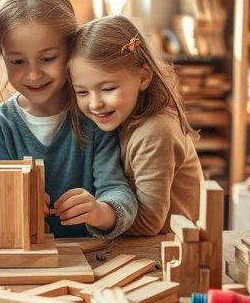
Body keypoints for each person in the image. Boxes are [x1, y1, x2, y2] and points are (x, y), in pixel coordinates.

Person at [0, 0, 137, 239]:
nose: (33, 74)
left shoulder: (94, 116)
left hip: (90, 259)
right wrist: (14, 205)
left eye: (48, 58)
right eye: (17, 61)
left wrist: (100, 211)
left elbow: (117, 190)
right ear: (3, 57)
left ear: (71, 50)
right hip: (23, 262)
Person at [69, 14, 204, 235]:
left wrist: (99, 215)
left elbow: (150, 223)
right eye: (82, 92)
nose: (95, 103)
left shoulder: (155, 132)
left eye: (108, 89)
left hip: (170, 253)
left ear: (143, 77)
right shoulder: (119, 122)